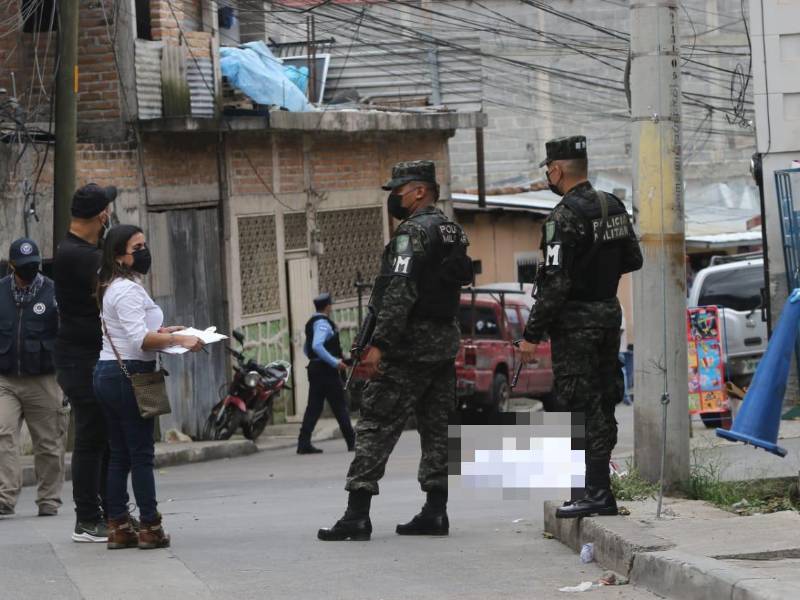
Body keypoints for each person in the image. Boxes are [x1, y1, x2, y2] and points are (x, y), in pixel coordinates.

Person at [318, 160, 473, 541]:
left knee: (376, 423)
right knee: (437, 429)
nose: (394, 198)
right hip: (442, 346)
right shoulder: (453, 231)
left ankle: (357, 514)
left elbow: (399, 293)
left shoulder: (411, 234)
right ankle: (436, 511)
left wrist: (378, 345)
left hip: (408, 348)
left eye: (398, 190)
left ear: (420, 190)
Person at [518, 136, 643, 519]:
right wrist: (599, 277)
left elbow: (555, 284)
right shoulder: (613, 206)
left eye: (548, 170)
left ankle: (595, 492)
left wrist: (531, 334)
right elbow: (633, 259)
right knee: (603, 400)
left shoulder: (562, 217)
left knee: (578, 405)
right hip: (608, 314)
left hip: (575, 325)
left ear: (556, 170)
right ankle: (595, 490)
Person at [93, 225, 204, 550]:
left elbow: (138, 329)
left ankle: (119, 526)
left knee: (120, 455)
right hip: (130, 376)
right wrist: (180, 339)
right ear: (119, 255)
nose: (144, 252)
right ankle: (150, 527)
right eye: (136, 247)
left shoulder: (114, 285)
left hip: (111, 374)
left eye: (144, 244)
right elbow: (139, 339)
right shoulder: (125, 290)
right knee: (140, 455)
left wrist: (168, 330)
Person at [53, 183, 116, 542]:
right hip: (81, 358)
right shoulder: (81, 256)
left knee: (105, 438)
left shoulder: (81, 250)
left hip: (90, 354)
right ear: (102, 216)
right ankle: (87, 520)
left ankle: (112, 513)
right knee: (91, 437)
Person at [0, 238, 68, 517]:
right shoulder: (0, 292)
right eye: (24, 267)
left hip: (44, 378)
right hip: (5, 379)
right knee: (2, 434)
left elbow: (67, 335)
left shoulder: (54, 293)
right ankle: (4, 497)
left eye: (34, 266)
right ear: (12, 266)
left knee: (49, 442)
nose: (30, 271)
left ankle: (48, 500)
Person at [297, 293, 356, 455]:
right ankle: (352, 442)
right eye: (331, 305)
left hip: (316, 369)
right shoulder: (322, 323)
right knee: (340, 406)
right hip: (326, 371)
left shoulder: (312, 322)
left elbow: (306, 348)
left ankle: (303, 443)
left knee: (314, 408)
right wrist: (335, 362)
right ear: (327, 306)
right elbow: (316, 345)